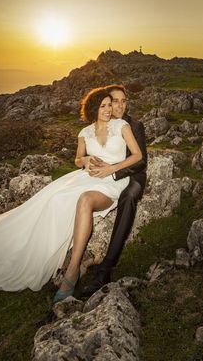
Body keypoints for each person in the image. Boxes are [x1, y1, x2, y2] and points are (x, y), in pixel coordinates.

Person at [0, 87, 142, 303]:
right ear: (93, 109)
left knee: (85, 199)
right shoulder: (84, 133)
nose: (109, 110)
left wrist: (111, 169)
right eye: (104, 106)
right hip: (85, 177)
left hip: (112, 182)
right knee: (53, 199)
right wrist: (86, 161)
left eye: (111, 105)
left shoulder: (121, 126)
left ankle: (72, 270)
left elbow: (137, 155)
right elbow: (78, 160)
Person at [78, 84, 147, 298]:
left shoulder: (134, 125)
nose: (119, 105)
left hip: (133, 174)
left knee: (128, 198)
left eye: (123, 101)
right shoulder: (103, 123)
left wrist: (113, 172)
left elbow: (140, 161)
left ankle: (106, 268)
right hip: (106, 176)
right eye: (114, 101)